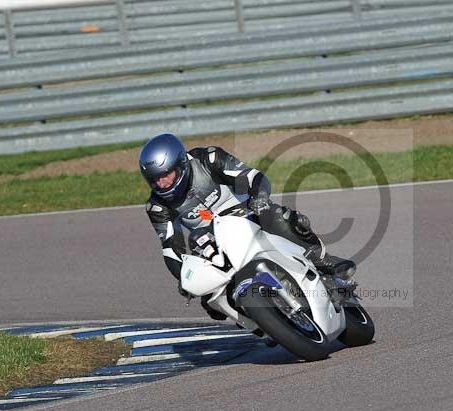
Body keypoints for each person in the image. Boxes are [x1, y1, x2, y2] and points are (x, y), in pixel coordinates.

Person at [138, 133, 355, 319]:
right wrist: (184, 279)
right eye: (155, 180)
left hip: (248, 212)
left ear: (180, 164)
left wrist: (259, 197)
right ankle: (257, 322)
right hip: (211, 241)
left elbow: (251, 176)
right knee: (211, 300)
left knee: (284, 218)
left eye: (166, 175)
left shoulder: (209, 159)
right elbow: (170, 248)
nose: (162, 183)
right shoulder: (157, 207)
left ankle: (322, 260)